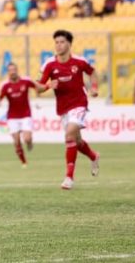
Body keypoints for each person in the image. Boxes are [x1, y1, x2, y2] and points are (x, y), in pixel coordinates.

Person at [37, 30, 100, 190]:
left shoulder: (79, 61)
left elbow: (92, 73)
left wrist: (93, 88)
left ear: (69, 44)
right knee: (76, 141)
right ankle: (93, 156)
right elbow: (38, 88)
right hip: (63, 108)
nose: (58, 45)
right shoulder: (49, 64)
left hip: (79, 103)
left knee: (69, 134)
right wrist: (48, 85)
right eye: (56, 42)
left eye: (62, 42)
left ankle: (69, 178)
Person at [0, 63, 41, 167]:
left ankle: (29, 143)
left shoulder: (25, 81)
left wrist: (39, 94)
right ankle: (24, 162)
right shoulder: (5, 85)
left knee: (27, 138)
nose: (12, 72)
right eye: (10, 70)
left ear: (17, 70)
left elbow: (36, 87)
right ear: (8, 72)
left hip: (26, 114)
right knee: (16, 141)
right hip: (12, 116)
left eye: (14, 70)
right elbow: (0, 96)